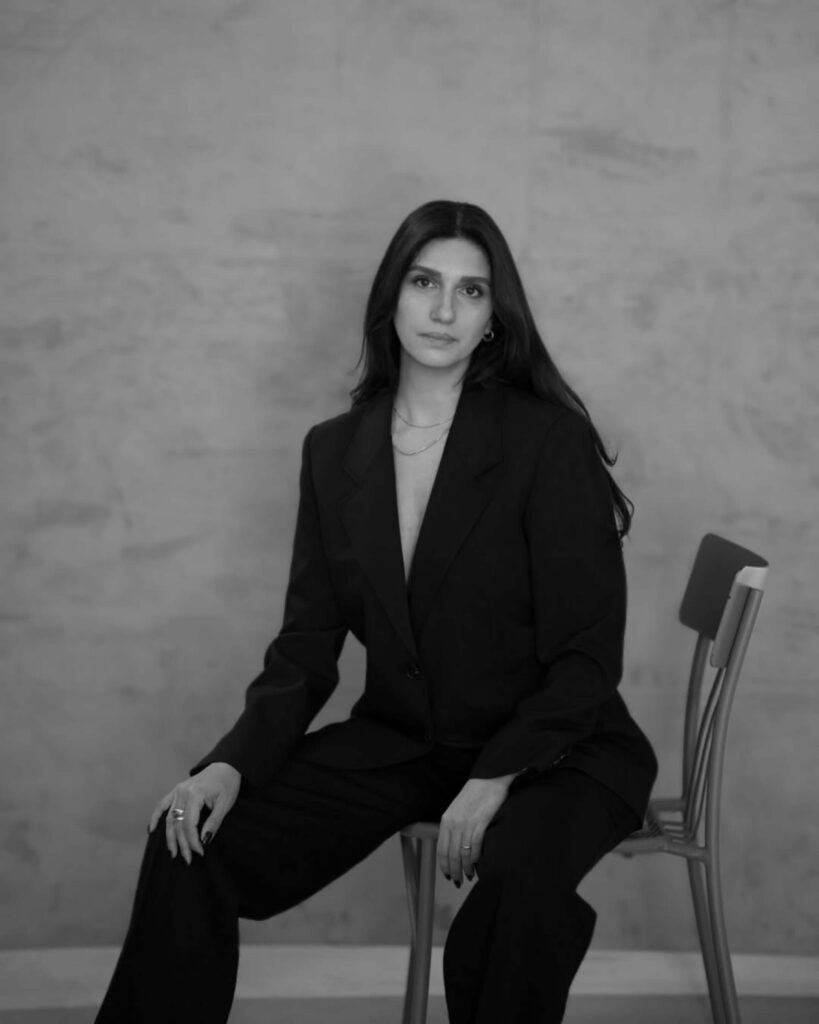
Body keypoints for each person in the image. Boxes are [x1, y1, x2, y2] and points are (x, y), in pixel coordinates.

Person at [96, 199, 658, 1023]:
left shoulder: (547, 441)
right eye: (424, 283)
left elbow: (586, 653)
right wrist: (227, 766)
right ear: (390, 296)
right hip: (408, 742)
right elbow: (306, 644)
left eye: (470, 291)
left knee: (514, 888)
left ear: (493, 319)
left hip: (559, 748)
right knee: (188, 835)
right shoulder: (333, 451)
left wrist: (494, 776)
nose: (443, 310)